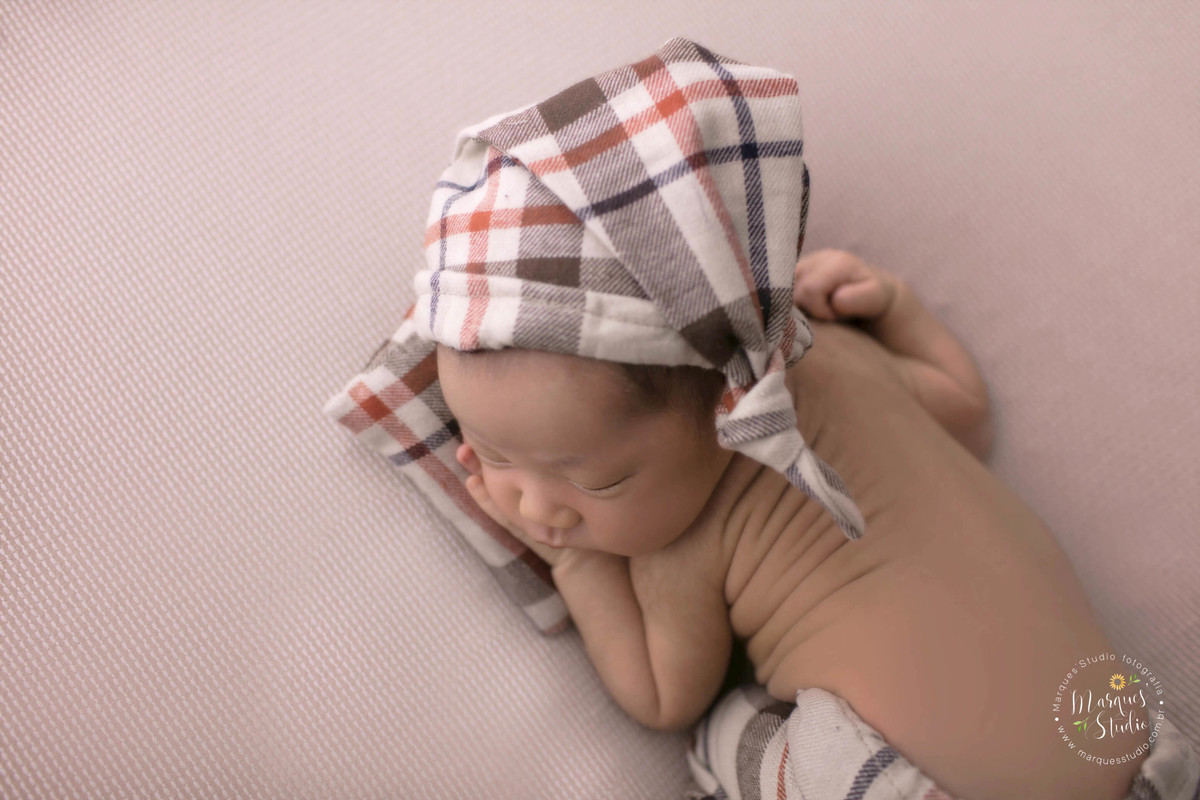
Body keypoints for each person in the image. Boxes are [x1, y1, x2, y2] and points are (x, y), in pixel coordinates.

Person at [412, 38, 1200, 800]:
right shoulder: (840, 360)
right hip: (1129, 746)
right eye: (488, 453)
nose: (531, 504)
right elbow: (967, 417)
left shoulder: (677, 541)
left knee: (722, 733)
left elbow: (660, 695)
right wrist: (897, 309)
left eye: (598, 479)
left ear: (727, 409)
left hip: (902, 784)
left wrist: (578, 562)